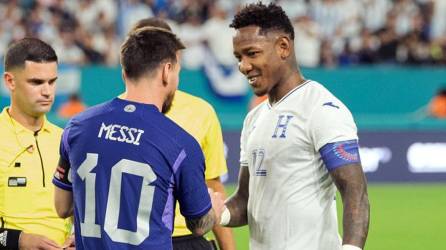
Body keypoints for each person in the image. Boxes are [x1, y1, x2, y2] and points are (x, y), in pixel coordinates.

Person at [52, 27, 224, 249]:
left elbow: (62, 207)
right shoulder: (181, 144)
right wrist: (215, 211)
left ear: (124, 73)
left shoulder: (77, 127)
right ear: (167, 71)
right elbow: (199, 224)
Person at [221, 3, 370, 250]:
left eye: (252, 53)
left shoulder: (321, 108)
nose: (244, 66)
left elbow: (355, 193)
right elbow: (245, 200)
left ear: (283, 47)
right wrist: (216, 214)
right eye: (239, 57)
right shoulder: (253, 118)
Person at [127, 17, 236, 250]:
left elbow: (212, 186)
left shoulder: (202, 112)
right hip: (131, 237)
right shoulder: (111, 116)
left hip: (186, 237)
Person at [0, 38, 72, 249]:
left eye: (52, 81)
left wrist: (79, 237)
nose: (47, 92)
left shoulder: (66, 140)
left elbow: (82, 208)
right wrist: (18, 240)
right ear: (10, 81)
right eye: (36, 82)